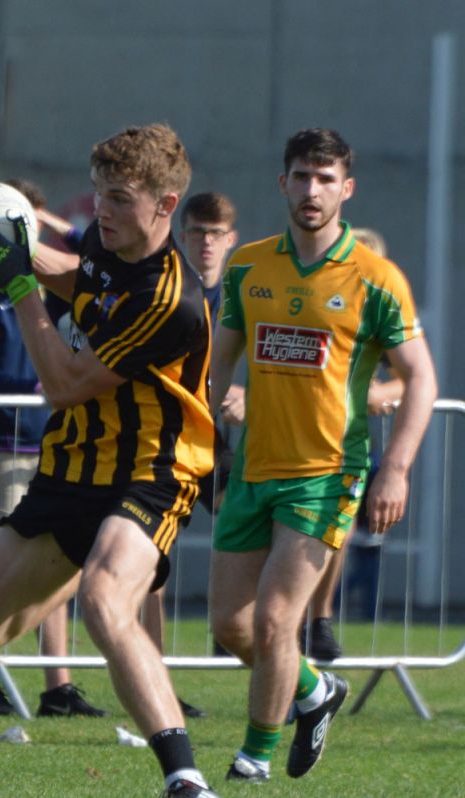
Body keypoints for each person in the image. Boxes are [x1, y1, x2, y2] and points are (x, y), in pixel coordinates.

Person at [0, 124, 219, 798]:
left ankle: (184, 777)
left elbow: (64, 383)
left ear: (166, 204)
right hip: (70, 468)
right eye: (98, 194)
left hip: (151, 468)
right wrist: (20, 251)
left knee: (105, 600)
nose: (102, 210)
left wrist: (18, 288)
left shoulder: (171, 300)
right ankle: (87, 565)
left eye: (121, 199)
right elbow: (80, 276)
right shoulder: (106, 239)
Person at [209, 129, 437, 784]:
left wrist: (395, 467)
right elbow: (219, 363)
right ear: (283, 183)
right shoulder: (249, 266)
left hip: (328, 474)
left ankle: (253, 759)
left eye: (326, 178)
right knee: (232, 625)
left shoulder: (376, 279)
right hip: (253, 470)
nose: (312, 190)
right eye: (302, 177)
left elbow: (421, 377)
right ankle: (315, 691)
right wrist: (200, 439)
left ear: (347, 189)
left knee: (279, 620)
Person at [0, 178, 104, 719]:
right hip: (2, 443)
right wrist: (38, 389)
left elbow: (94, 253)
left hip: (54, 443)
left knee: (54, 558)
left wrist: (44, 218)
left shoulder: (48, 278)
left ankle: (57, 687)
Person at [139, 191, 243, 719]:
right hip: (164, 440)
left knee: (254, 544)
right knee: (149, 564)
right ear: (182, 234)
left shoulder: (244, 289)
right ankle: (155, 683)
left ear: (232, 240)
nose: (205, 243)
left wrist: (248, 395)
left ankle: (248, 646)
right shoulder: (164, 285)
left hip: (219, 446)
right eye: (197, 232)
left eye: (215, 234)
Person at [296, 226, 403, 660]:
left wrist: (380, 393)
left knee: (334, 534)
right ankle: (287, 626)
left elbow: (412, 377)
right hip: (290, 439)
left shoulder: (382, 303)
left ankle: (318, 619)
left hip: (346, 448)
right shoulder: (313, 293)